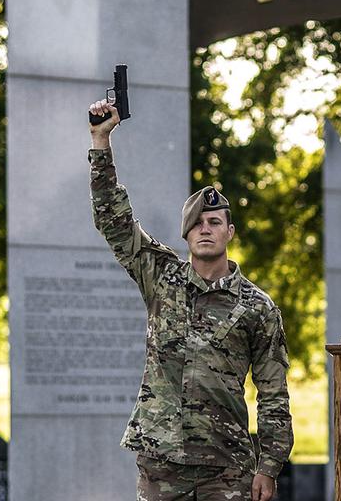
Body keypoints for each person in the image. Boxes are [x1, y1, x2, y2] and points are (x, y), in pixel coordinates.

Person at [87, 100, 293, 501]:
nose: (205, 229)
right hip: (161, 463)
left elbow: (273, 391)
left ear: (229, 232)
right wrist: (100, 140)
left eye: (214, 222)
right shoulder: (161, 277)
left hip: (227, 466)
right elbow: (114, 220)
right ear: (185, 234)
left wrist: (269, 465)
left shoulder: (257, 307)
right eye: (196, 223)